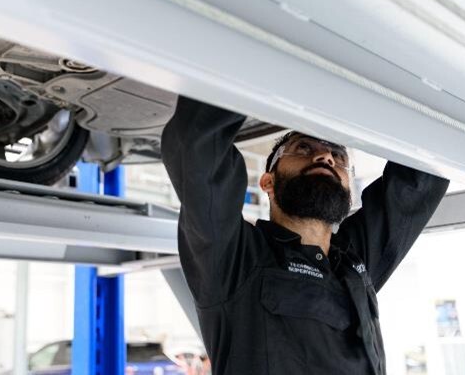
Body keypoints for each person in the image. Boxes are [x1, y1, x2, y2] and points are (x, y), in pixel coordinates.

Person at [161, 96, 449, 375]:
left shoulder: (352, 263)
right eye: (303, 148)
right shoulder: (236, 259)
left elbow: (417, 183)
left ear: (349, 190)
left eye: (338, 156)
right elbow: (198, 150)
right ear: (268, 183)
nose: (325, 156)